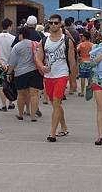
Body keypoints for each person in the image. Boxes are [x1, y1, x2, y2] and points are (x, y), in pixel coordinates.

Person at [37, 14, 76, 142]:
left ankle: (52, 133)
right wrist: (42, 66)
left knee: (56, 101)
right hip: (49, 76)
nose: (53, 25)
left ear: (60, 24)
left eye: (56, 23)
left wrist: (73, 80)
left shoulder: (66, 40)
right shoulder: (44, 41)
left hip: (62, 74)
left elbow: (71, 60)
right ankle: (64, 126)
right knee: (56, 105)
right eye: (51, 23)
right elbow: (38, 57)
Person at [7, 26, 44, 123]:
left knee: (21, 94)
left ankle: (20, 114)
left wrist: (9, 73)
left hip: (21, 73)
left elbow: (12, 62)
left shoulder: (17, 46)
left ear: (21, 35)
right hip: (35, 72)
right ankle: (33, 116)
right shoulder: (36, 44)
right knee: (34, 94)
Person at [0, 18, 15, 112]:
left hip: (0, 64)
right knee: (10, 84)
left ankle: (3, 105)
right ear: (9, 26)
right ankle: (10, 102)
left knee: (1, 85)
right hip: (10, 65)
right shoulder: (13, 38)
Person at [77, 31, 94, 97]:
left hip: (83, 61)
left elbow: (76, 50)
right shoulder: (92, 45)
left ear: (84, 37)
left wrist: (79, 57)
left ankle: (82, 92)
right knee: (90, 78)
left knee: (83, 77)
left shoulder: (81, 45)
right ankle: (90, 91)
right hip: (90, 61)